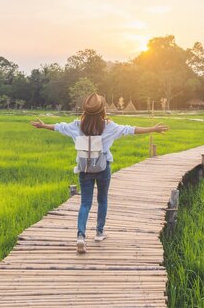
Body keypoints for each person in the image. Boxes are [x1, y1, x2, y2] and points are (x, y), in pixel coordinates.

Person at [31, 93, 169, 253]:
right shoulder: (108, 126)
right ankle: (99, 232)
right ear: (103, 110)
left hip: (84, 169)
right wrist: (153, 128)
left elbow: (59, 127)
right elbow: (131, 130)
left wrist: (43, 125)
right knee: (102, 200)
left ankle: (81, 236)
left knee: (85, 203)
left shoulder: (77, 125)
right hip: (103, 168)